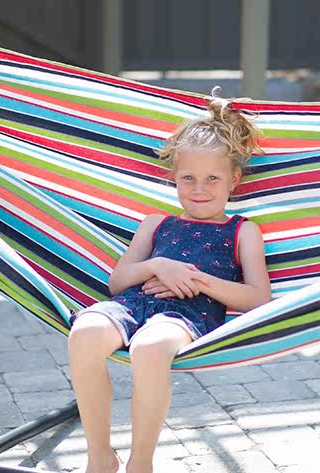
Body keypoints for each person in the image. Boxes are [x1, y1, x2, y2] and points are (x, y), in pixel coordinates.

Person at [67, 87, 272, 473]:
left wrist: (196, 281)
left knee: (149, 348)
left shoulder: (243, 231)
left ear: (234, 180)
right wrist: (160, 266)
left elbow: (259, 299)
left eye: (212, 178)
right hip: (132, 303)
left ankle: (139, 463)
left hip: (187, 315)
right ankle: (99, 457)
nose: (199, 189)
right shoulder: (155, 223)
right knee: (84, 333)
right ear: (173, 178)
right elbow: (117, 282)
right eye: (188, 177)